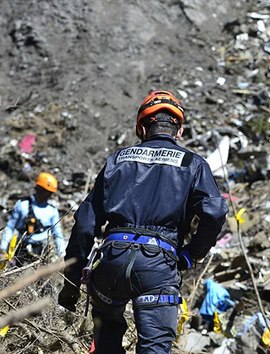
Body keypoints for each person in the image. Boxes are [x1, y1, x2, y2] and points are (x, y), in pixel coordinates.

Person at [58, 90, 228, 354]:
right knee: (154, 347)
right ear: (179, 130)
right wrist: (190, 255)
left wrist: (70, 286)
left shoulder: (118, 160)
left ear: (141, 127)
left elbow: (84, 223)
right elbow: (214, 213)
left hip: (111, 261)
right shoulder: (193, 164)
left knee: (106, 342)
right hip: (158, 268)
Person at [0, 172, 65, 261]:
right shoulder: (22, 204)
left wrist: (62, 255)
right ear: (38, 188)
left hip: (40, 251)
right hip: (19, 247)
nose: (47, 195)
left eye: (49, 193)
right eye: (45, 191)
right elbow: (10, 227)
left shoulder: (52, 211)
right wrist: (3, 248)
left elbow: (58, 235)